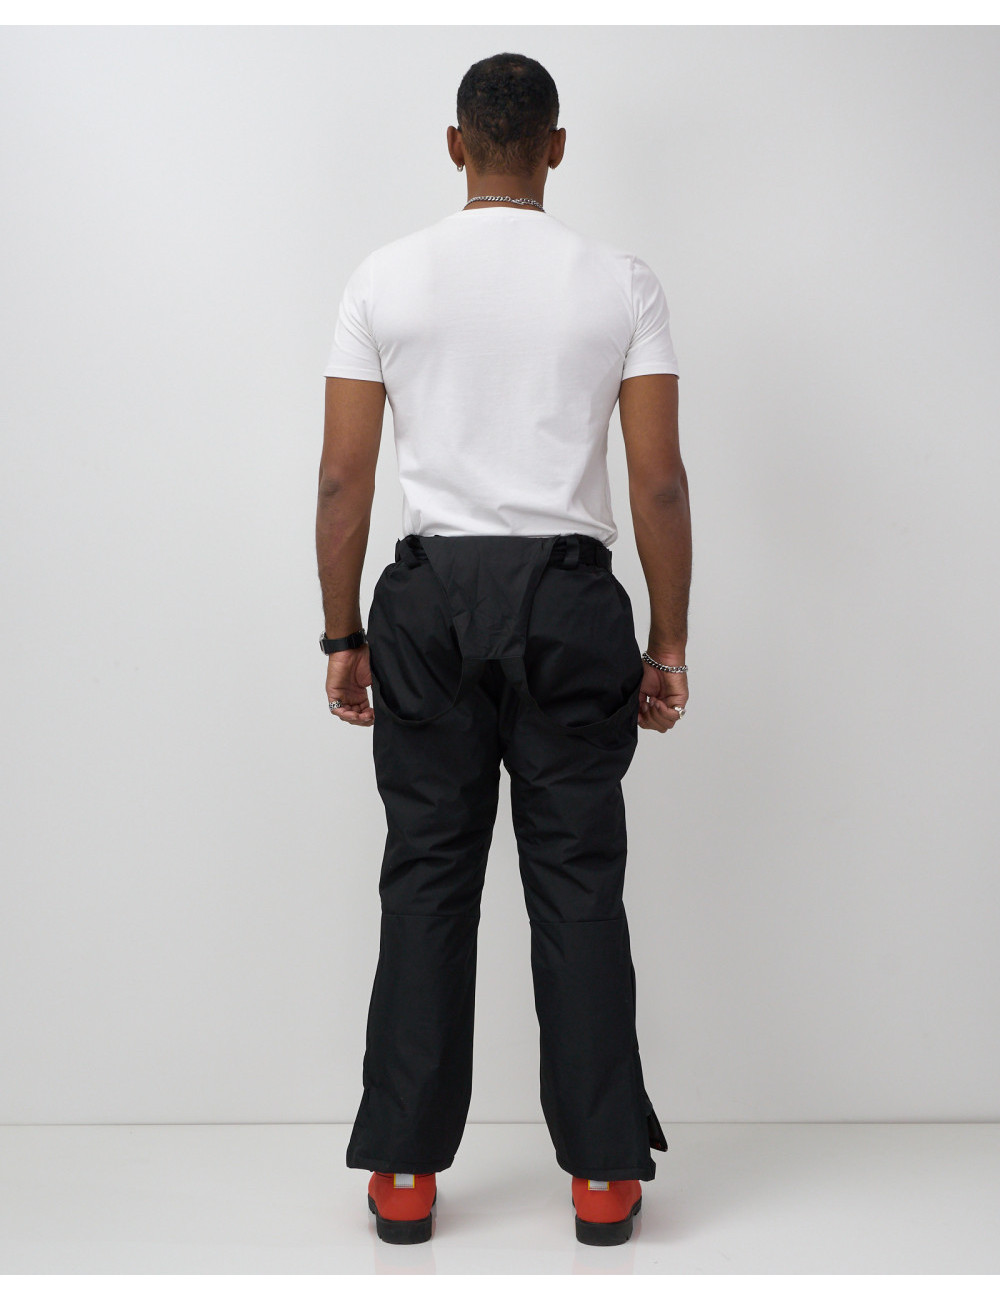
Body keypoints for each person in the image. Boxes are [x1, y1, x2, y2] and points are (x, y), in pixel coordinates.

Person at [315, 51, 691, 1248]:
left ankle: (403, 1173)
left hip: (428, 600)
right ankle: (603, 1179)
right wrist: (668, 639)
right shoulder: (619, 282)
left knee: (428, 875)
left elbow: (342, 478)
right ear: (556, 148)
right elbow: (657, 482)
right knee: (576, 880)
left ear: (455, 144)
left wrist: (342, 633)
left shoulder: (385, 277)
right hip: (571, 600)